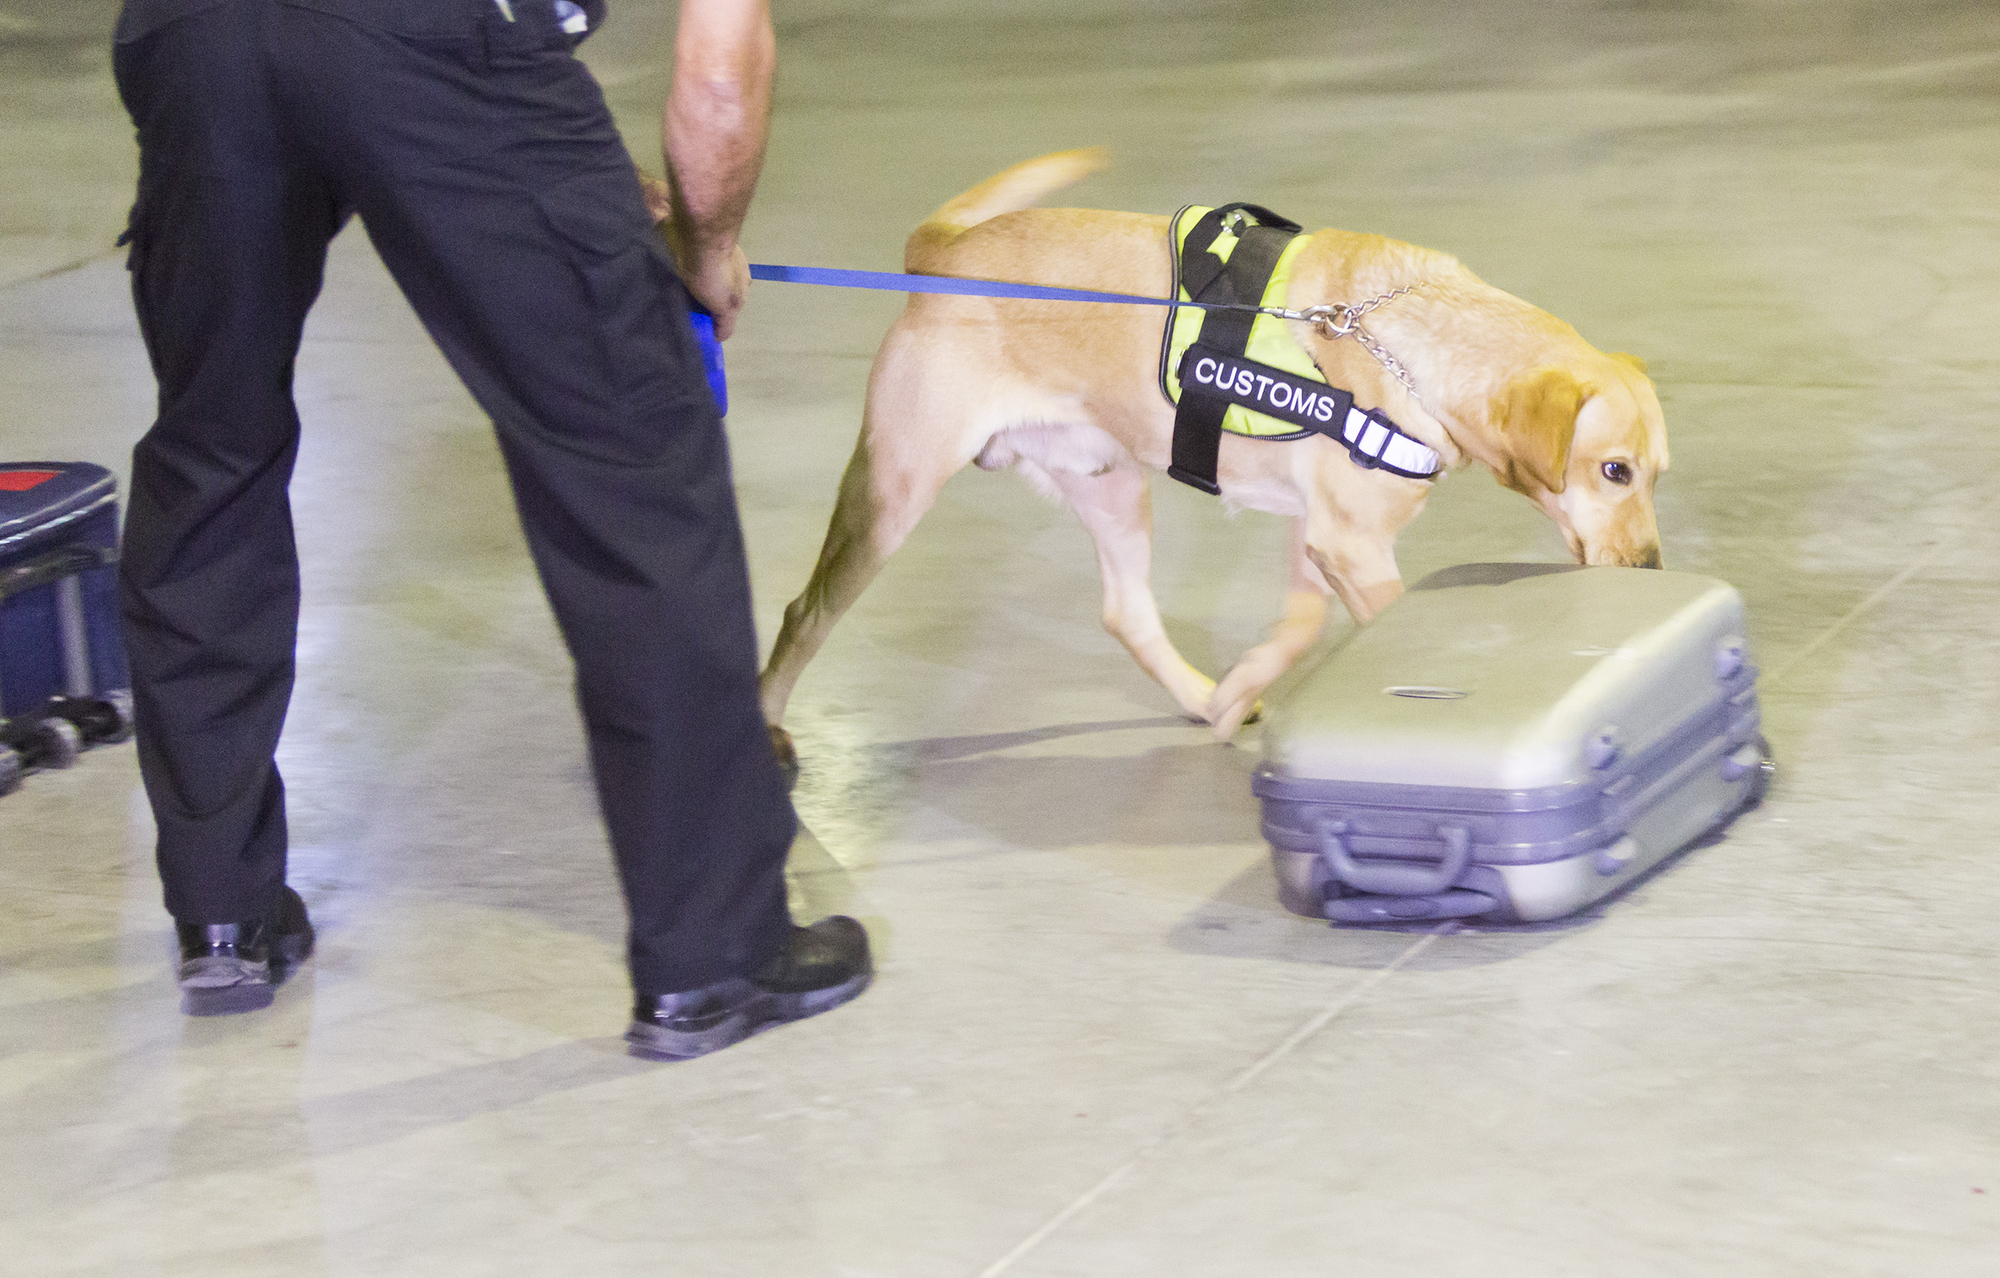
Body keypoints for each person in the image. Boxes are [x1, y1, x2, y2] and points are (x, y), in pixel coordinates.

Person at [112, 0, 869, 1060]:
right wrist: (703, 249)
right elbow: (716, 61)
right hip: (432, 34)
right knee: (633, 456)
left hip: (190, 30)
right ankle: (715, 955)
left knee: (211, 449)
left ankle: (221, 908)